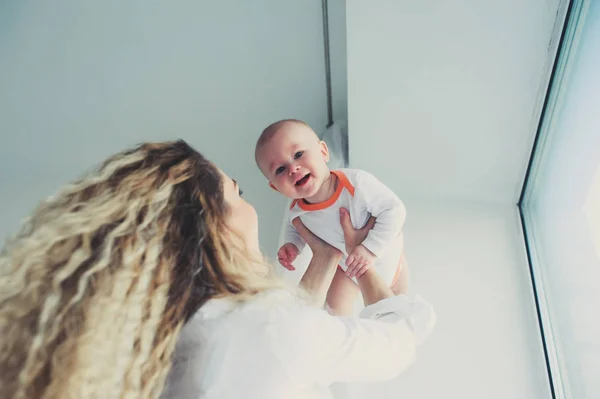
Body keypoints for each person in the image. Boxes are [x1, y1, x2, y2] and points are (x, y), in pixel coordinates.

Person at [0, 140, 434, 399]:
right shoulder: (263, 330)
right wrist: (373, 270)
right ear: (215, 222)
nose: (250, 207)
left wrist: (323, 258)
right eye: (238, 192)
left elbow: (287, 331)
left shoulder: (168, 349)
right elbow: (397, 344)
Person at [255, 119, 410, 315]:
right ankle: (344, 336)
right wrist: (292, 245)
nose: (293, 169)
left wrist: (369, 249)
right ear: (275, 187)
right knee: (334, 308)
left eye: (298, 154)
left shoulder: (357, 184)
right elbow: (293, 227)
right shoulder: (297, 210)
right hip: (347, 268)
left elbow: (394, 210)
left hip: (388, 254)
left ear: (323, 152)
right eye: (280, 169)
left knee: (397, 303)